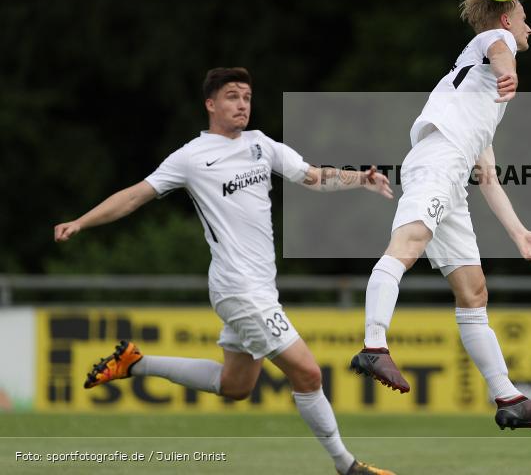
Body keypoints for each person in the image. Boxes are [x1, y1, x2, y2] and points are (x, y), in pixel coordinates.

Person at [54, 67, 396, 475]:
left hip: (260, 288)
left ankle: (136, 363)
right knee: (306, 372)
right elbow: (134, 196)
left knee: (235, 386)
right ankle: (347, 466)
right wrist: (81, 221)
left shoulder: (261, 144)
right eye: (233, 96)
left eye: (247, 97)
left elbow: (312, 176)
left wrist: (361, 179)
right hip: (238, 287)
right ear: (211, 104)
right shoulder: (191, 157)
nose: (242, 105)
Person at [348, 0, 531, 431]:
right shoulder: (495, 44)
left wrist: (519, 233)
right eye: (524, 18)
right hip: (438, 163)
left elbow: (486, 174)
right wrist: (510, 74)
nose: (529, 27)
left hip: (451, 172)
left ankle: (508, 398)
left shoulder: (474, 99)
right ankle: (373, 346)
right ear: (506, 20)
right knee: (407, 245)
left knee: (473, 292)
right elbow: (499, 48)